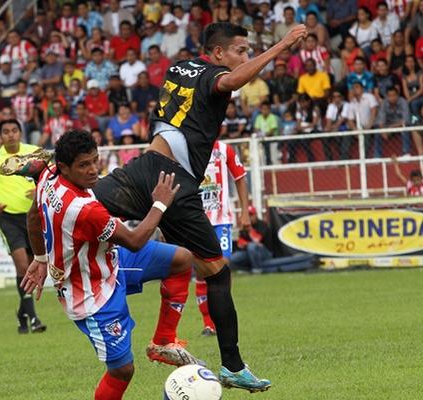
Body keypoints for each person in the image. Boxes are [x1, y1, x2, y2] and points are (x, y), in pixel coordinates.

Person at [74, 21, 304, 392]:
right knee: (217, 272)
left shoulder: (178, 66)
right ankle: (231, 365)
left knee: (85, 201)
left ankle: (48, 200)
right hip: (174, 182)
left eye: (247, 51)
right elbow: (229, 82)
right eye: (240, 50)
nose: (244, 57)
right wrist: (280, 46)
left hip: (145, 164)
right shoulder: (217, 75)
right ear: (218, 53)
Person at [23, 130, 199, 399]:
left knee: (181, 260)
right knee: (122, 370)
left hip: (110, 261)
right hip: (91, 293)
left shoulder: (48, 177)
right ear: (64, 167)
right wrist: (160, 205)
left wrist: (39, 258)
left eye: (95, 160)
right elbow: (135, 240)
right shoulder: (84, 209)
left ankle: (163, 342)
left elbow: (34, 213)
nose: (93, 170)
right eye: (84, 165)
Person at [0, 119, 47, 334]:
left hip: (34, 216)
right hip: (9, 218)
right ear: (0, 136)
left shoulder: (35, 152)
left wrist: (39, 190)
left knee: (34, 266)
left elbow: (51, 177)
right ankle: (33, 318)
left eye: (14, 130)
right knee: (23, 267)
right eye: (6, 132)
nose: (10, 135)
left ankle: (23, 314)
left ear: (20, 132)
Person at [195, 140, 250, 336]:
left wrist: (245, 211)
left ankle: (224, 317)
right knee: (201, 271)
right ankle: (209, 323)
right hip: (196, 221)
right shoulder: (189, 147)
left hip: (221, 220)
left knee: (222, 266)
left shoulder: (224, 149)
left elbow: (240, 177)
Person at [229, 206, 274, 273]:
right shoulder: (243, 227)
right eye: (247, 215)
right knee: (233, 258)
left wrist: (250, 230)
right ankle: (246, 270)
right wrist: (238, 230)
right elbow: (239, 244)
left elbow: (256, 240)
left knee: (252, 246)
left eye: (251, 215)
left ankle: (257, 270)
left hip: (265, 253)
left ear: (255, 215)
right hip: (249, 252)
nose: (249, 218)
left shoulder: (262, 225)